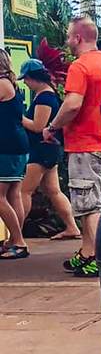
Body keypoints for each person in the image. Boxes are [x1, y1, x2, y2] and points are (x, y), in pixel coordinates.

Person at [43, 16, 101, 276]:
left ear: (78, 38)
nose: (68, 41)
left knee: (89, 203)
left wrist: (52, 127)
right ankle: (87, 251)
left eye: (69, 37)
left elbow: (72, 104)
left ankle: (100, 258)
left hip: (84, 143)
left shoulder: (80, 67)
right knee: (91, 199)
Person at [17, 60, 82, 246]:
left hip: (41, 150)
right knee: (52, 190)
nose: (25, 83)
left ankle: (16, 234)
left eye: (27, 79)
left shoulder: (44, 98)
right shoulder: (48, 95)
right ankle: (72, 227)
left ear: (34, 78)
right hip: (49, 150)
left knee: (24, 191)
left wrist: (18, 117)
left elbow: (38, 126)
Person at [0, 50, 30, 260]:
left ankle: (18, 241)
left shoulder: (1, 83)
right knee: (13, 194)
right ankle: (15, 240)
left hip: (5, 146)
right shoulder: (12, 84)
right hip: (17, 144)